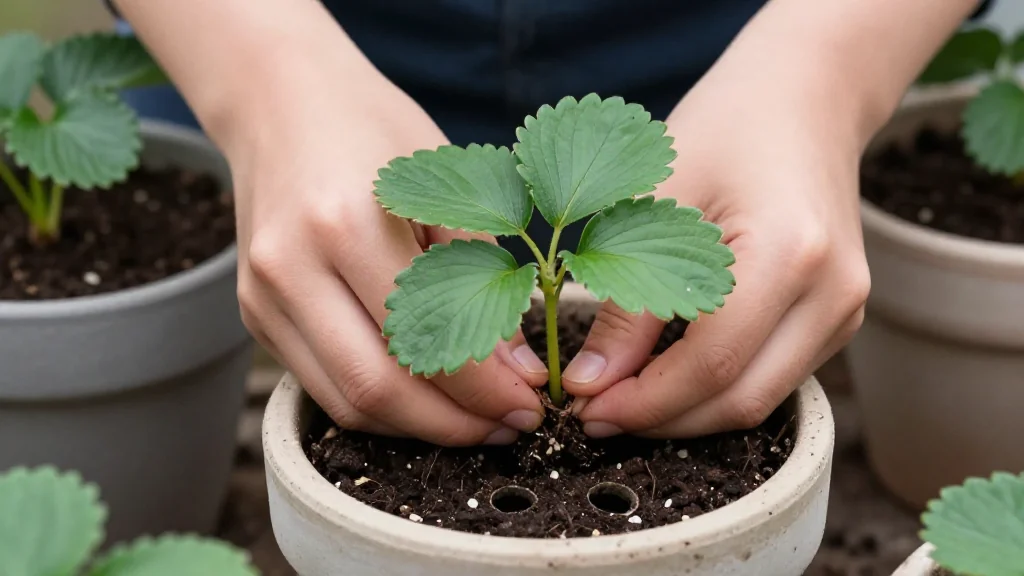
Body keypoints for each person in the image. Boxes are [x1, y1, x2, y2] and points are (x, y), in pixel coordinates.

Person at [112, 0, 985, 446]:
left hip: (762, 57)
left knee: (754, 324)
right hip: (276, 58)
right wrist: (259, 76)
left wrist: (829, 68)